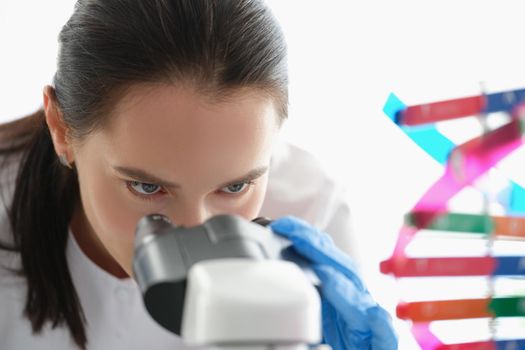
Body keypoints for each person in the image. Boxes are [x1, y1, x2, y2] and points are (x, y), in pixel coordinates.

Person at [0, 0, 397, 349]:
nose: (193, 230)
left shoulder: (312, 208)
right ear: (62, 128)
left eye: (235, 186)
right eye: (146, 186)